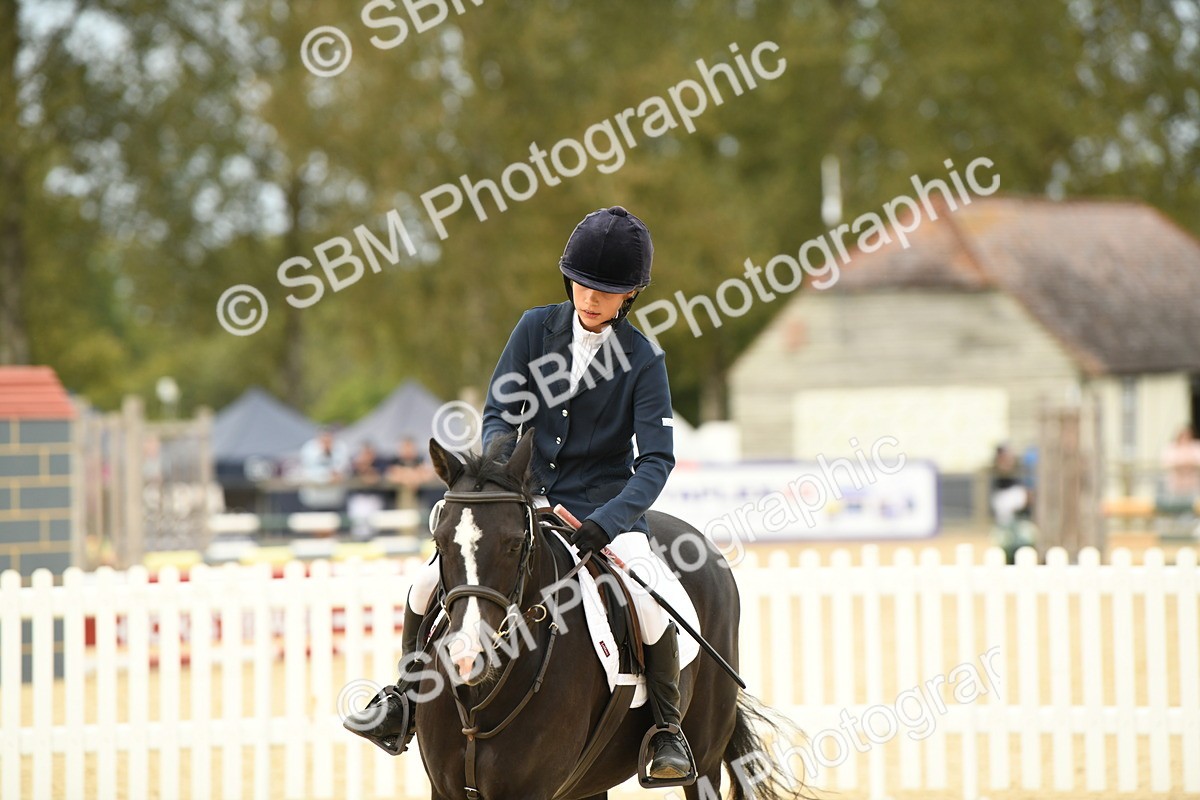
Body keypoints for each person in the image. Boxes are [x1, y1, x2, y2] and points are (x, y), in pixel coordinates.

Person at [345, 206, 693, 781]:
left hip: (604, 513)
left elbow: (656, 460)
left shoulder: (643, 359)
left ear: (631, 294)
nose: (591, 299)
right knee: (428, 581)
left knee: (652, 596)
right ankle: (403, 700)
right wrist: (506, 480)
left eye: (606, 292)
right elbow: (500, 412)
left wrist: (606, 523)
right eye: (584, 285)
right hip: (523, 498)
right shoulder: (535, 329)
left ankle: (666, 730)